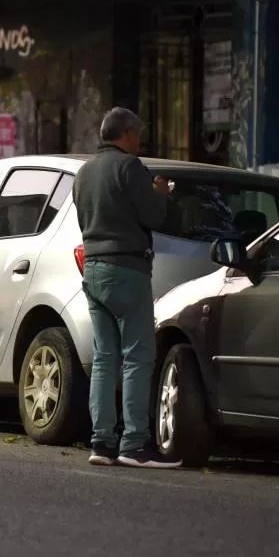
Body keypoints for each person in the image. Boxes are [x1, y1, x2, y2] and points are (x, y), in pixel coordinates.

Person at [72, 107, 181, 469]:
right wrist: (160, 192)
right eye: (138, 133)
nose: (140, 140)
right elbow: (153, 215)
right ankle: (133, 445)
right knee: (137, 356)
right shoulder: (130, 167)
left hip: (93, 269)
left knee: (104, 358)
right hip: (127, 268)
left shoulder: (83, 173)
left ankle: (101, 443)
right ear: (127, 134)